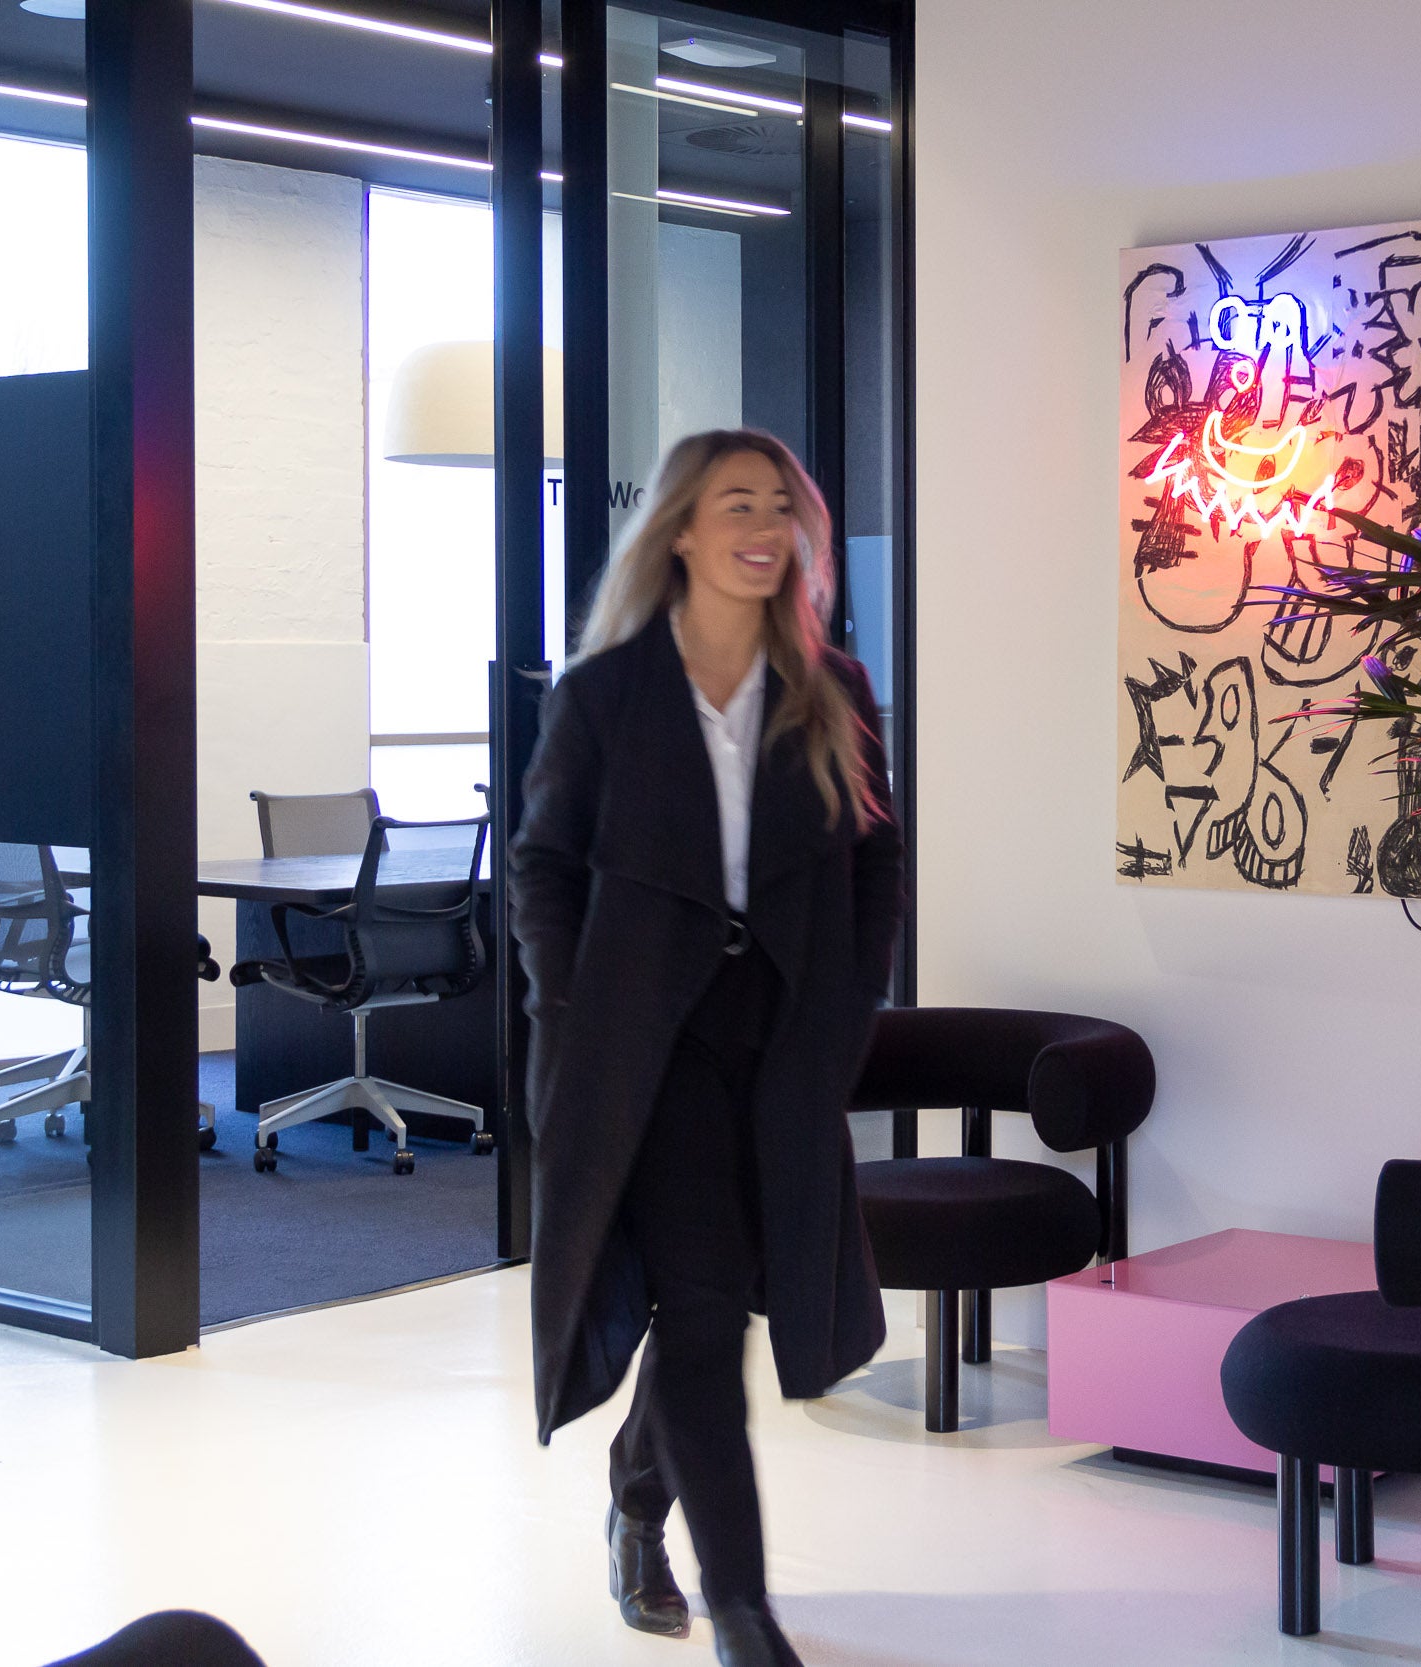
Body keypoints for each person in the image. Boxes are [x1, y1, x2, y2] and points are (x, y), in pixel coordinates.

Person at [511, 429, 903, 1667]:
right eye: (738, 502)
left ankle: (638, 1490)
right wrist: (576, 1008)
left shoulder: (828, 686)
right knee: (697, 1311)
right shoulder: (606, 694)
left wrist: (846, 1014)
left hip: (782, 1035)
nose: (765, 524)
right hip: (646, 1040)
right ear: (680, 528)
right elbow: (542, 867)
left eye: (782, 507)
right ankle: (743, 1604)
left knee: (725, 1297)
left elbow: (876, 858)